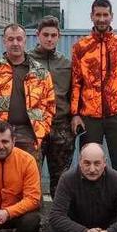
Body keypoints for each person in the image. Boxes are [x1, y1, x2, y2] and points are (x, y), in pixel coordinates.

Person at [70, 0, 117, 181]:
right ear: (91, 16)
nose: (101, 19)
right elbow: (76, 81)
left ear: (111, 16)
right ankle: (89, 207)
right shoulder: (80, 47)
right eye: (98, 15)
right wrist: (75, 113)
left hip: (116, 115)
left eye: (105, 15)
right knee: (89, 164)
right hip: (89, 117)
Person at [0, 24, 55, 161]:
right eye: (11, 39)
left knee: (29, 177)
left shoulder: (40, 71)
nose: (15, 43)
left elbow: (50, 104)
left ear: (25, 41)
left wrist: (43, 128)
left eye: (19, 39)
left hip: (29, 134)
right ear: (4, 41)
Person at [27, 15, 75, 197]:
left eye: (53, 35)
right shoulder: (27, 61)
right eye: (45, 34)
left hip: (61, 126)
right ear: (37, 35)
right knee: (31, 177)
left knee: (62, 179)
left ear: (59, 36)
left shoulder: (66, 64)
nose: (49, 39)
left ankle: (60, 220)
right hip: (34, 128)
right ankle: (34, 221)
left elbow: (74, 94)